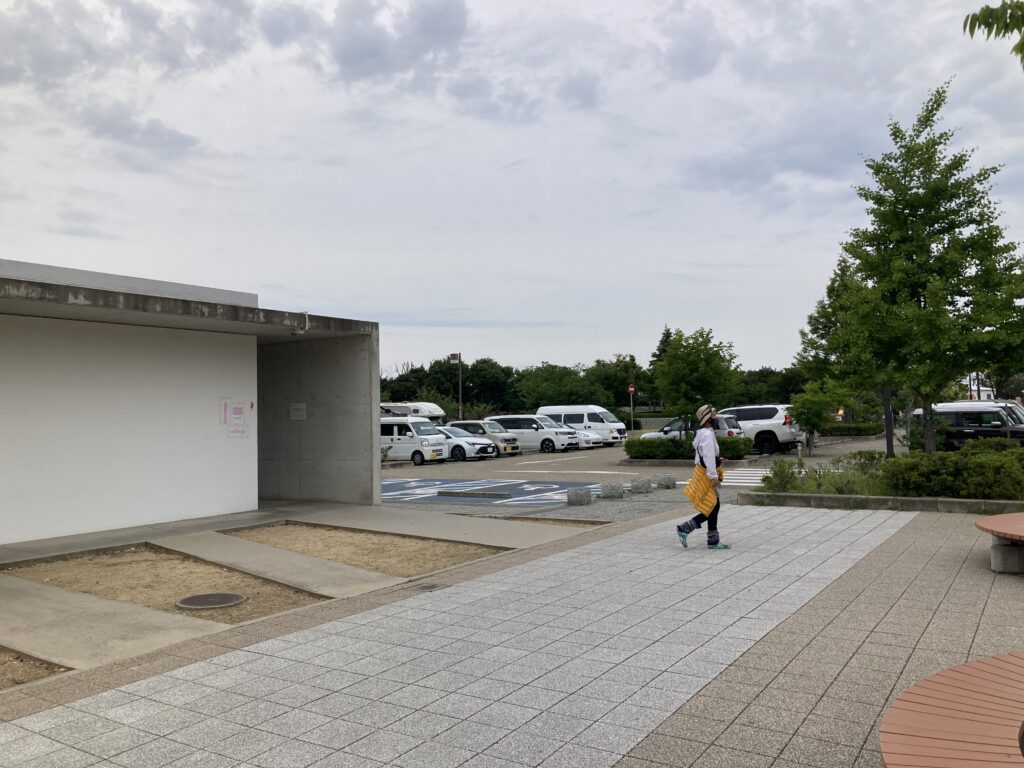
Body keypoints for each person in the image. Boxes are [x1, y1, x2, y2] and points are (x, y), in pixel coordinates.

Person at [677, 404, 730, 549]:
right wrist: (713, 476)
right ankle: (685, 528)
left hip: (704, 472)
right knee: (713, 505)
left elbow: (701, 457)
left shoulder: (703, 433)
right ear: (708, 419)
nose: (716, 418)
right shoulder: (707, 435)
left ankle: (712, 540)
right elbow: (708, 456)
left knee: (713, 505)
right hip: (707, 474)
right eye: (714, 416)